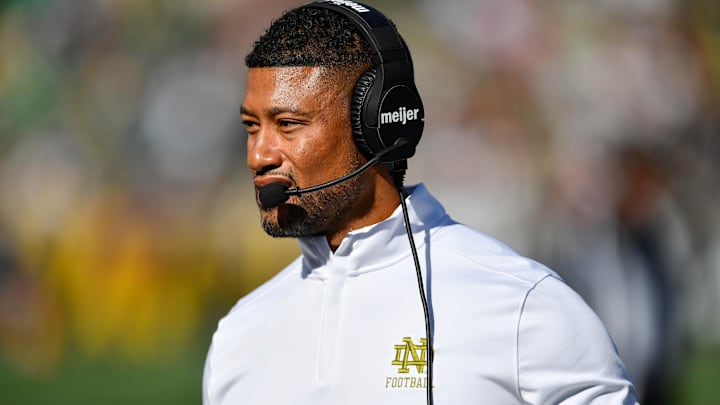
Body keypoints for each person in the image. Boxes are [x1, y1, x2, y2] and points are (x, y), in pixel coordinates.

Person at [203, 1, 639, 404]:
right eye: (251, 126)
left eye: (288, 124)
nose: (258, 155)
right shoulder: (238, 336)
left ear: (378, 125)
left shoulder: (527, 307)